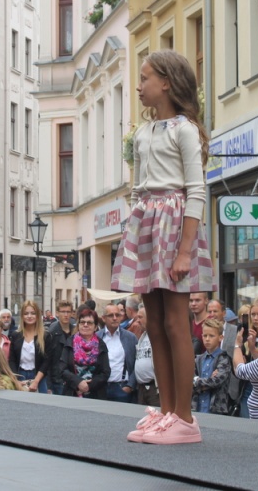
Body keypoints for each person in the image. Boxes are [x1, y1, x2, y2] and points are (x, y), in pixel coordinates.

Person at [112, 50, 215, 445]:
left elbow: (195, 190)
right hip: (147, 221)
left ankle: (186, 418)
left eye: (145, 78)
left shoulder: (184, 129)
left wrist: (185, 250)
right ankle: (168, 411)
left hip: (174, 222)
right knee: (152, 322)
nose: (139, 86)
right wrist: (134, 225)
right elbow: (139, 186)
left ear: (167, 82)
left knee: (175, 322)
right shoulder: (142, 132)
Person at [57, 307, 110, 399]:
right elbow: (62, 369)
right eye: (82, 322)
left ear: (95, 327)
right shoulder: (70, 342)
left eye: (89, 323)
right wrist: (78, 382)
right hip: (72, 394)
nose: (85, 325)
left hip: (96, 395)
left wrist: (88, 386)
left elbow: (105, 372)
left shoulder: (101, 345)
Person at [191, 319, 235, 415]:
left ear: (220, 338)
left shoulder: (224, 358)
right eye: (205, 335)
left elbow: (216, 381)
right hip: (197, 408)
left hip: (216, 410)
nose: (207, 339)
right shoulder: (198, 359)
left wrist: (196, 381)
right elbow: (188, 381)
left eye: (211, 336)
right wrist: (207, 381)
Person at [8, 300, 51, 393]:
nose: (29, 316)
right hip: (20, 375)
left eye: (33, 313)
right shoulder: (16, 335)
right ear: (22, 316)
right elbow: (12, 360)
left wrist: (36, 381)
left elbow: (47, 361)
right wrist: (16, 380)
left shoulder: (45, 335)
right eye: (26, 313)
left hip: (39, 377)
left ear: (38, 316)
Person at [99, 303, 138, 403]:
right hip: (101, 388)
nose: (115, 318)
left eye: (117, 315)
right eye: (111, 315)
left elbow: (136, 362)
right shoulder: (97, 337)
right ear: (104, 318)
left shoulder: (130, 337)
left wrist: (130, 386)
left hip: (121, 388)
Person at [46, 300, 77, 394]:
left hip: (72, 379)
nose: (66, 315)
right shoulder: (52, 332)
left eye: (68, 312)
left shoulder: (75, 331)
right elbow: (47, 360)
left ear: (72, 313)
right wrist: (49, 385)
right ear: (57, 313)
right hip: (57, 379)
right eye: (63, 312)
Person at [134, 306, 160, 408]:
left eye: (140, 317)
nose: (137, 321)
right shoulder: (143, 336)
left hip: (155, 389)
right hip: (142, 389)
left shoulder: (158, 336)